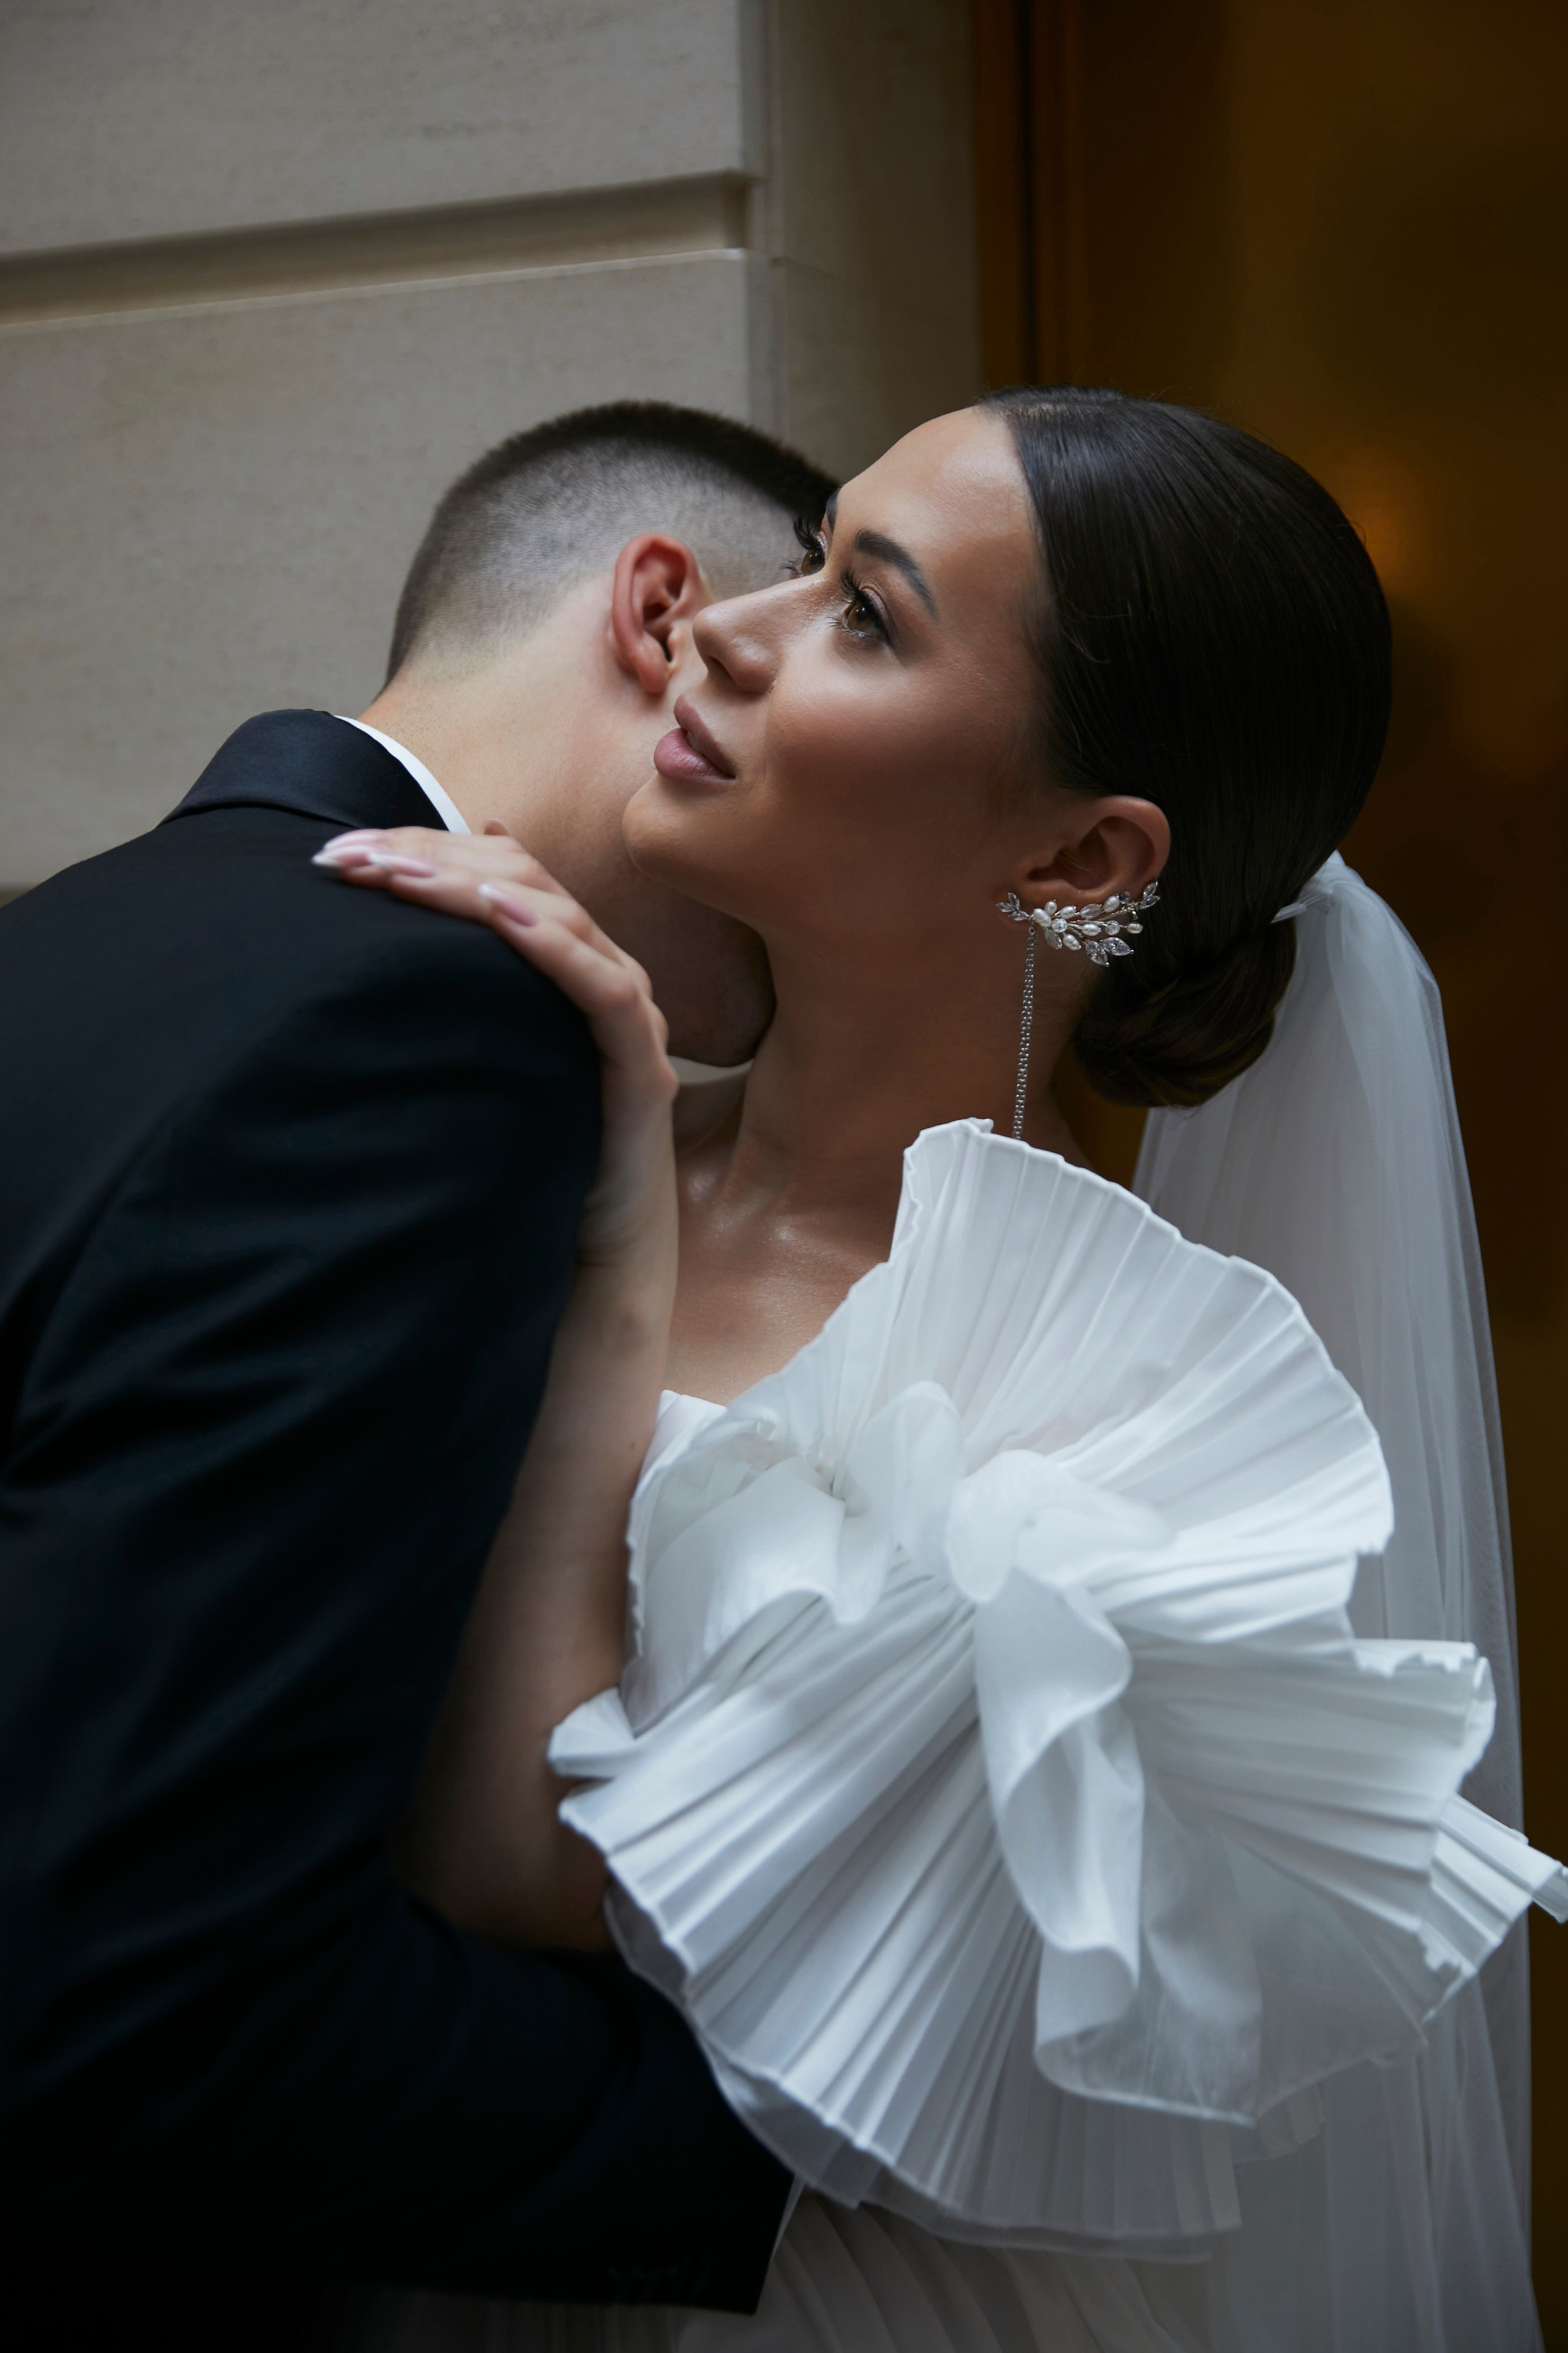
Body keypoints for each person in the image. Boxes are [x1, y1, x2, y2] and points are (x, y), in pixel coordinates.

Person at [319, 388, 1563, 2353]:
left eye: (865, 614)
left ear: (1081, 855)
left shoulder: (1115, 1415)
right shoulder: (513, 1134)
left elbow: (517, 1870)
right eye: (813, 562)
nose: (730, 622)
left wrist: (625, 1211)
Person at [0, 402, 833, 2349]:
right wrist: (804, 2162)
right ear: (671, 624)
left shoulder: (68, 937)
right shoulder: (421, 1019)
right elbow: (147, 1993)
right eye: (831, 632)